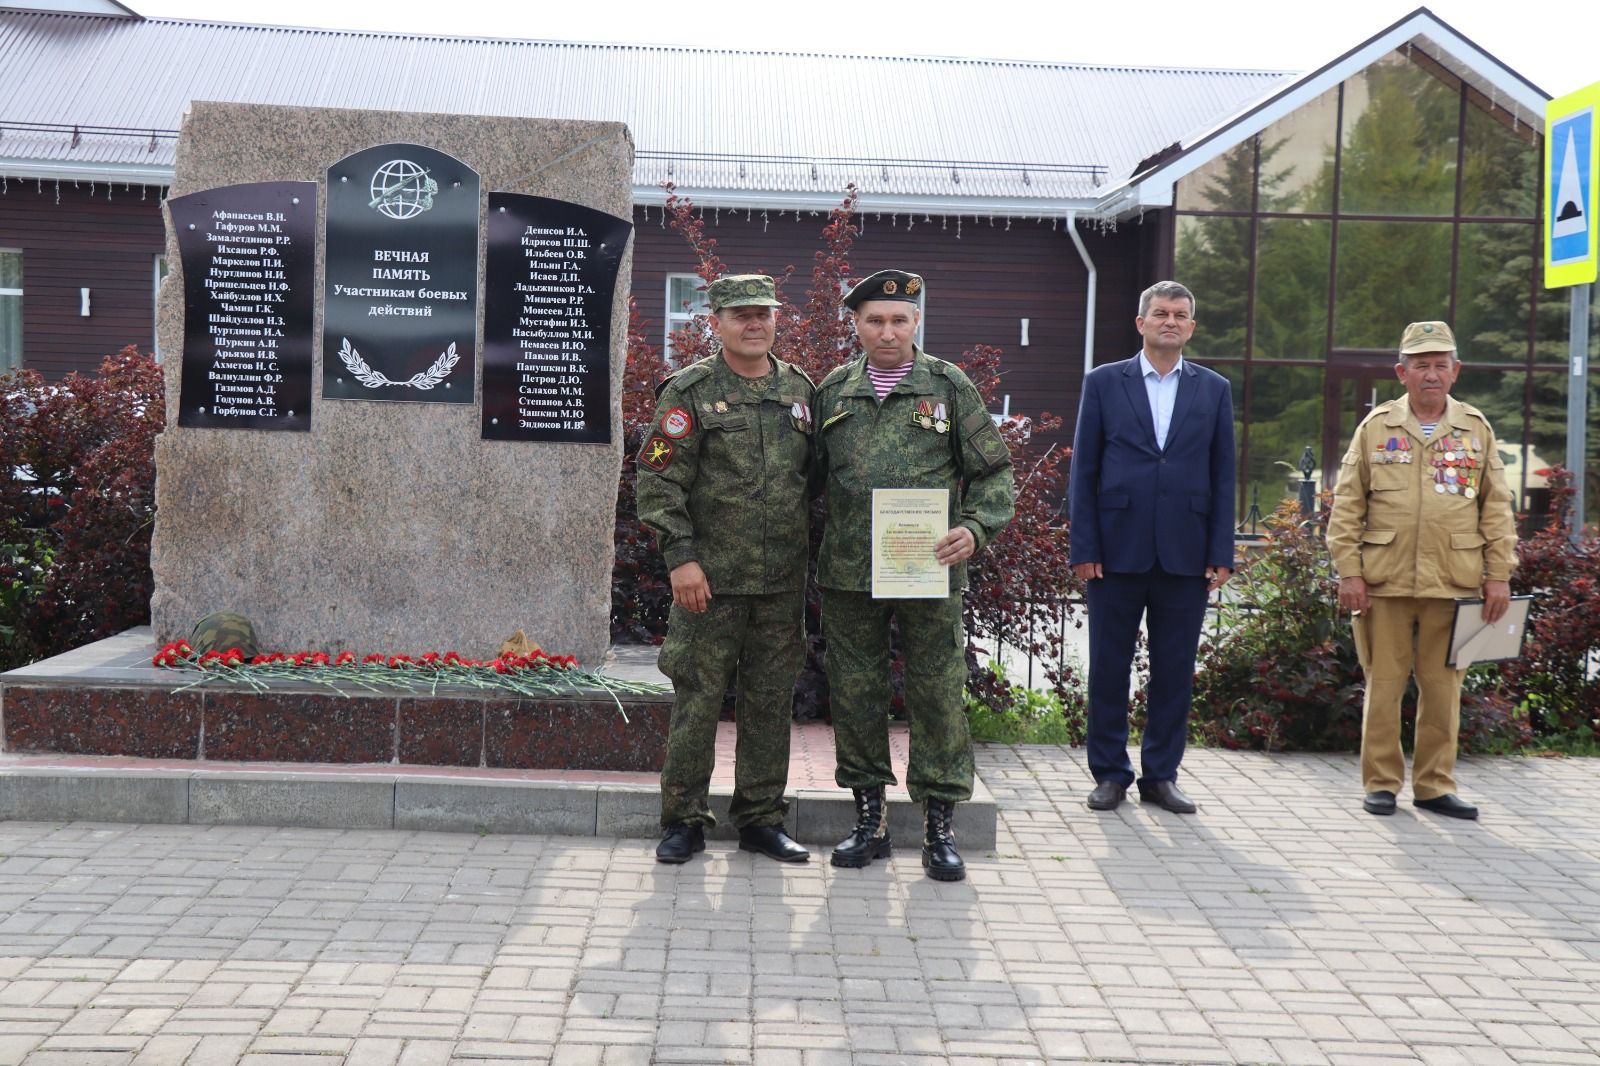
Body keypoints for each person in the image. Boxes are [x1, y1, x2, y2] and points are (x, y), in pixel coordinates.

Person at [814, 269, 1015, 881]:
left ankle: (938, 825)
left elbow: (993, 473)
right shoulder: (833, 391)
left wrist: (975, 529)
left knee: (935, 691)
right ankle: (869, 818)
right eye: (874, 320)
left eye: (899, 319)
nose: (887, 331)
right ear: (855, 324)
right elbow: (804, 480)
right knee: (855, 692)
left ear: (917, 322)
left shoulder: (949, 387)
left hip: (927, 570)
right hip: (851, 571)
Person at [636, 274, 815, 864]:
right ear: (714, 322)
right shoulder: (689, 392)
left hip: (780, 583)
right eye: (739, 314)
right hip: (706, 585)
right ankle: (683, 818)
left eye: (762, 312)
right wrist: (681, 560)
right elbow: (659, 484)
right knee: (698, 700)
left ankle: (760, 818)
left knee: (769, 701)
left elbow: (817, 483)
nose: (753, 323)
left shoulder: (799, 391)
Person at [1328, 321, 1517, 821]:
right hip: (1384, 581)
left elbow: (1496, 508)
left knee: (1443, 689)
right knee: (1384, 686)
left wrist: (1499, 575)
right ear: (1401, 372)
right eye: (1420, 365)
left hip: (1454, 582)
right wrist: (1350, 572)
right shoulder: (1375, 427)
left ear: (1455, 372)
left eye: (1439, 365)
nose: (1430, 374)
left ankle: (1434, 785)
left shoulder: (1476, 428)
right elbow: (1347, 506)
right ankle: (1382, 784)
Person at [1069, 280, 1235, 814]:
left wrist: (1221, 551)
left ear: (1190, 326)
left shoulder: (1213, 389)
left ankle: (1161, 775)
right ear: (1140, 323)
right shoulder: (1103, 384)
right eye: (1160, 313)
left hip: (1186, 555)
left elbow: (1223, 474)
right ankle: (1111, 774)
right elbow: (1084, 471)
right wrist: (1084, 545)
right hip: (1115, 552)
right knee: (1109, 667)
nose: (1170, 321)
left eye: (1180, 315)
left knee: (1173, 670)